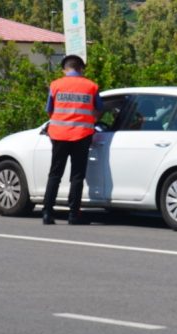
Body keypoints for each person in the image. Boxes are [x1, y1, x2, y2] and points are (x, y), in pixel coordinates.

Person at [42, 55, 101, 225]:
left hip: (58, 135)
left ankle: (47, 213)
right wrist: (91, 120)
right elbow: (99, 109)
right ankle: (74, 215)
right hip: (82, 135)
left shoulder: (55, 85)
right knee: (77, 176)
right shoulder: (91, 86)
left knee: (55, 174)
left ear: (65, 69)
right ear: (81, 69)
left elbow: (49, 110)